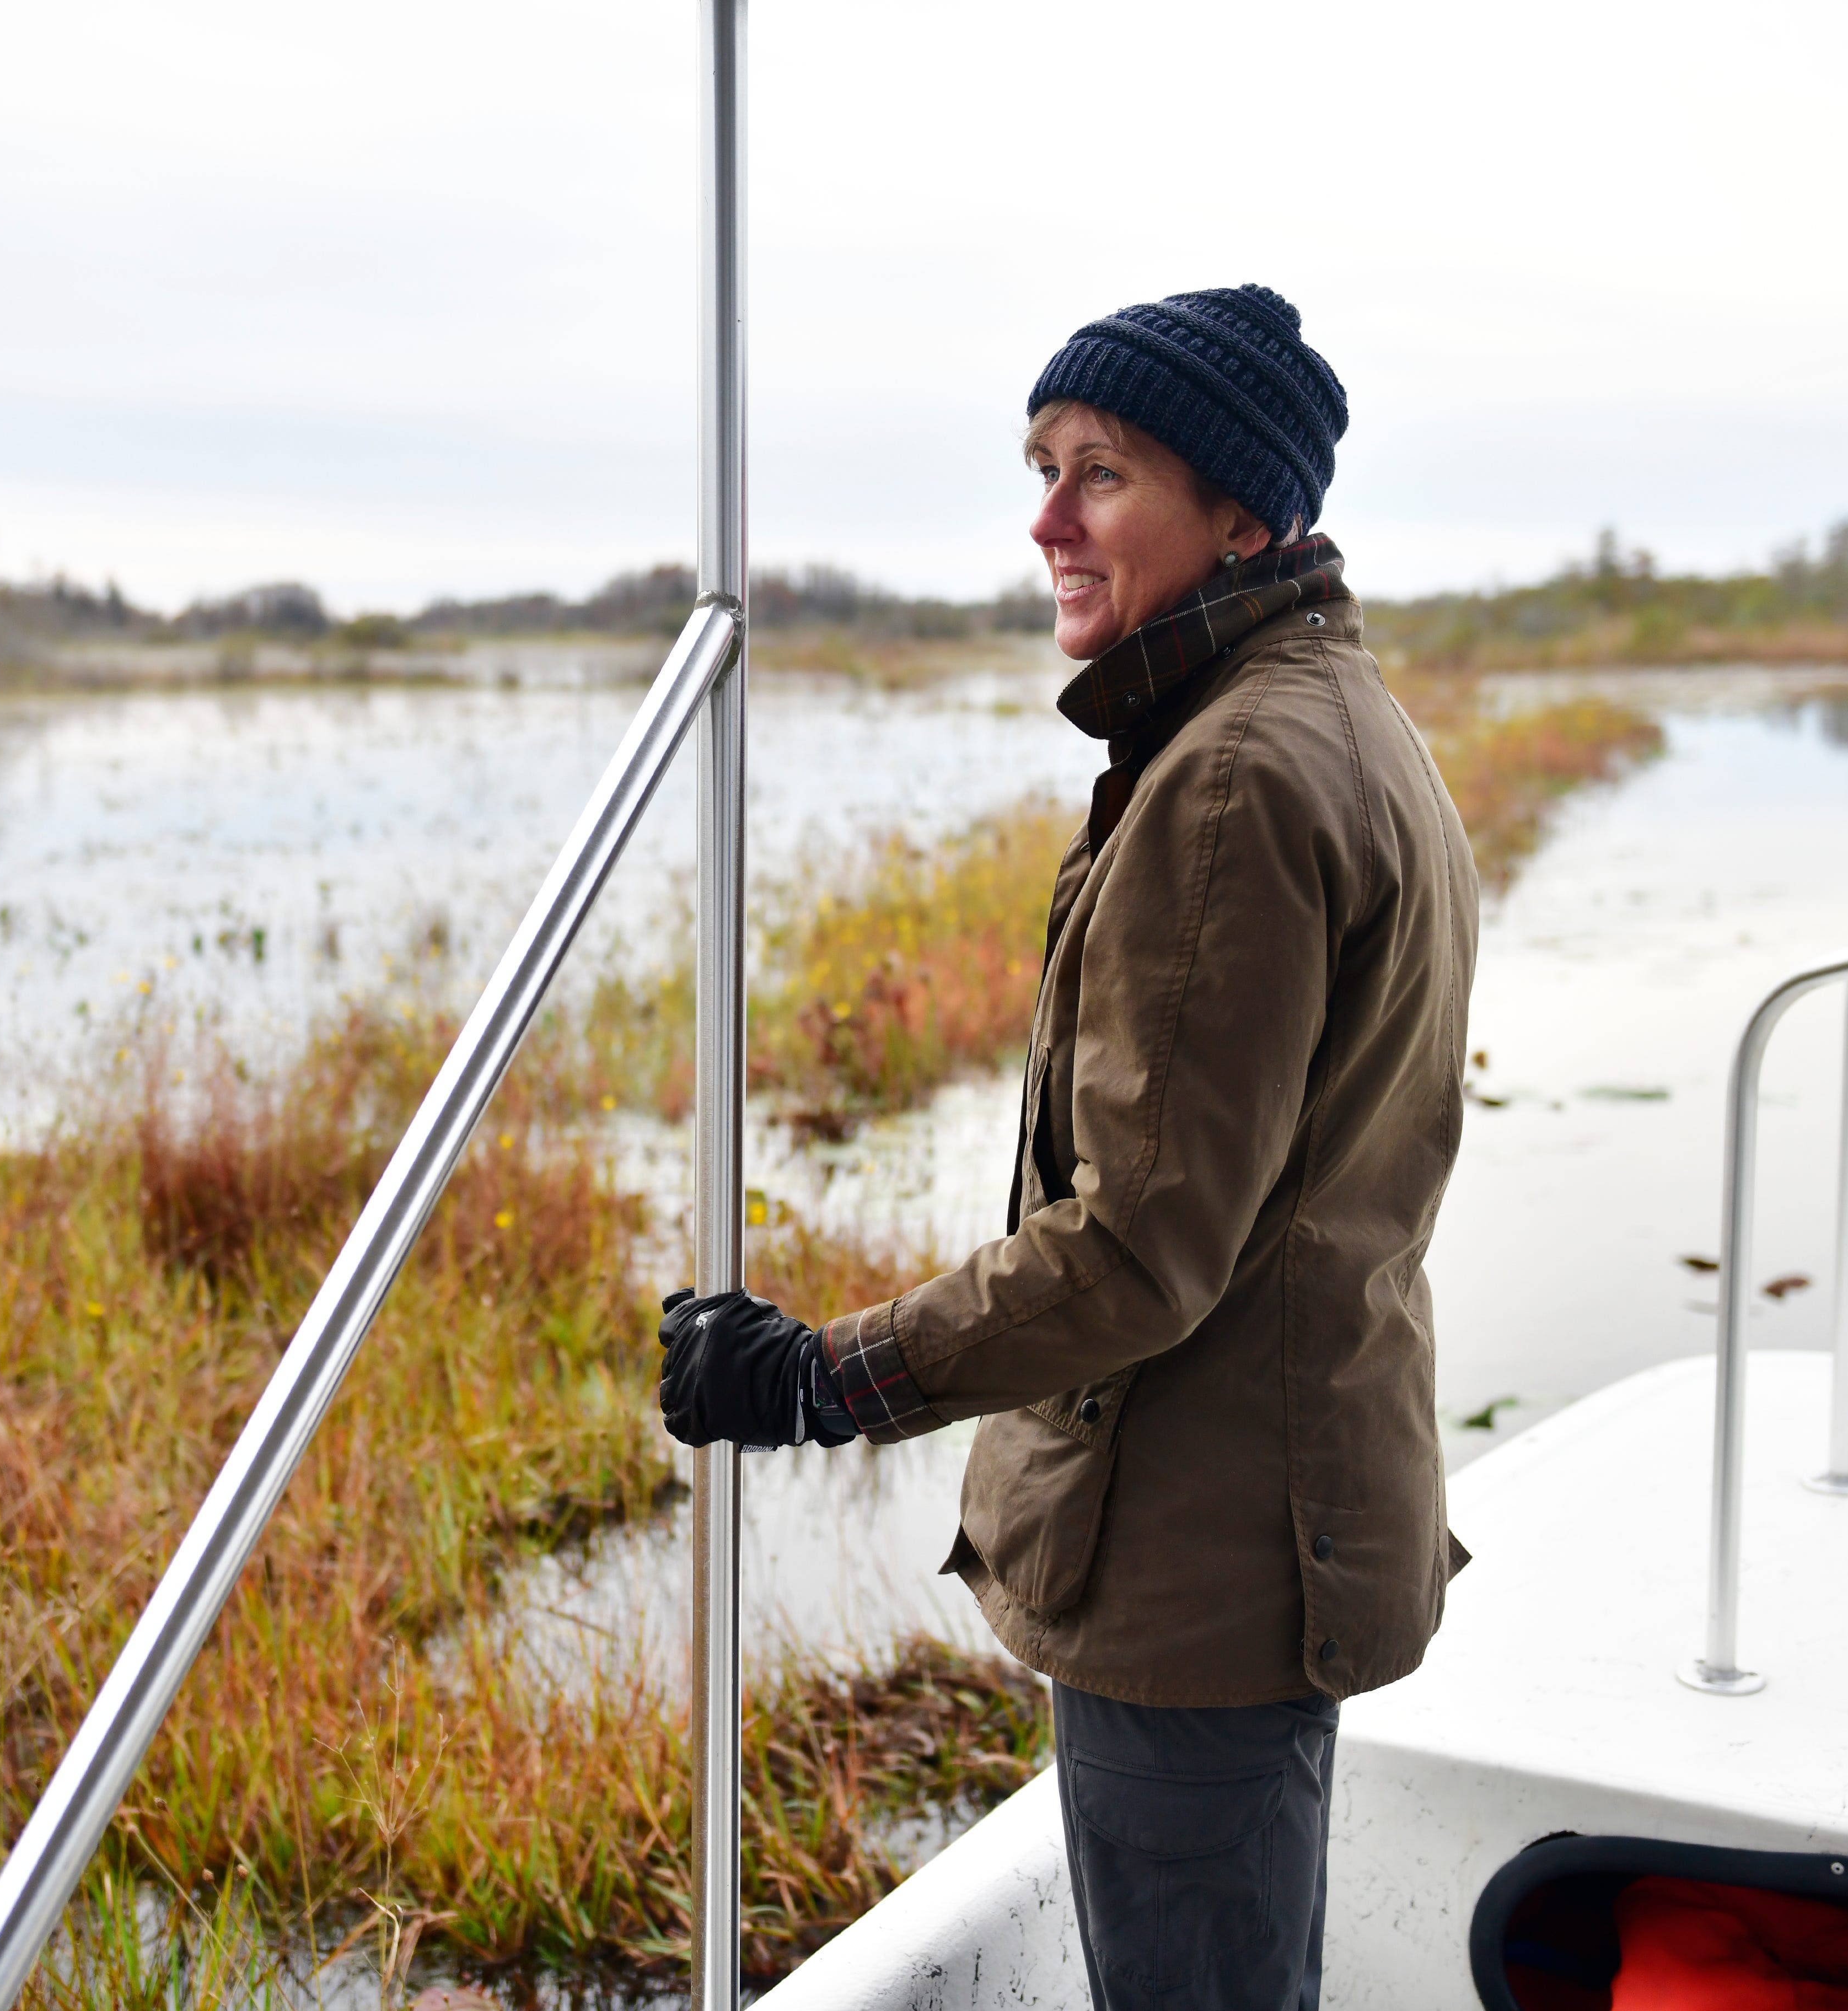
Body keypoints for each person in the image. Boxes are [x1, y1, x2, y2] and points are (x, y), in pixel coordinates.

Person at [657, 283, 1477, 2011]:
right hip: (1272, 1531)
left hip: (1200, 1567)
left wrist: (823, 1377)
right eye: (1042, 468)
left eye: (1099, 473)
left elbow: (1136, 1252)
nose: (1046, 521)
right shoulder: (1322, 713)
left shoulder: (1237, 773)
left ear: (1245, 509)